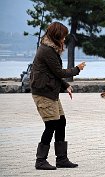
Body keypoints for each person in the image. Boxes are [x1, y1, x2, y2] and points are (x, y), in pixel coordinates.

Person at [30, 22, 86, 170]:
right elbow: (59, 72)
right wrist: (77, 69)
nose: (64, 39)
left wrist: (65, 86)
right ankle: (40, 160)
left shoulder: (50, 49)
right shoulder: (47, 51)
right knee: (51, 125)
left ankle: (61, 159)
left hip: (50, 92)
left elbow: (53, 74)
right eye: (63, 36)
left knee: (61, 122)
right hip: (43, 93)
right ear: (56, 36)